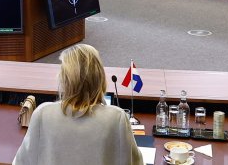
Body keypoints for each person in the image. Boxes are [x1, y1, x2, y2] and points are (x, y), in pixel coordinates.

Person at [13, 43, 142, 165]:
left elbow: (21, 162)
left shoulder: (43, 113)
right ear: (100, 77)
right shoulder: (117, 117)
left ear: (64, 79)